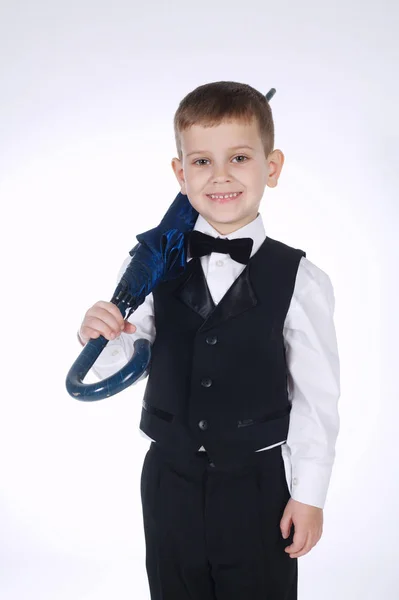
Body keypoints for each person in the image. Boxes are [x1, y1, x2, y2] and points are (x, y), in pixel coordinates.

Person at [77, 81, 341, 600]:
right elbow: (122, 361)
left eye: (239, 157)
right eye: (201, 161)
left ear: (272, 166)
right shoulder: (150, 265)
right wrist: (101, 332)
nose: (220, 175)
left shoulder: (301, 278)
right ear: (180, 174)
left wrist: (309, 495)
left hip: (257, 482)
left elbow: (317, 399)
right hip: (168, 477)